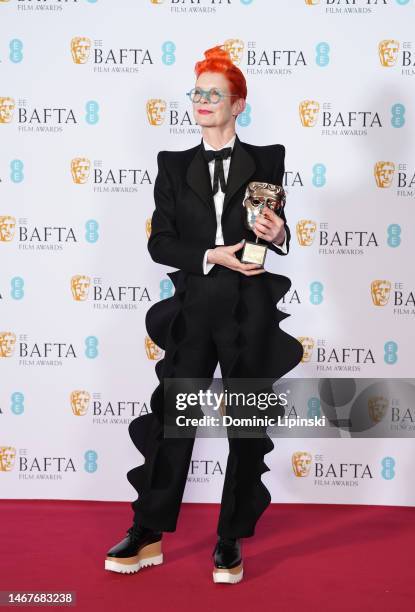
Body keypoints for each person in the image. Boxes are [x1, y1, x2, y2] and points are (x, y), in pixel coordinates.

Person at [105, 45, 303, 584]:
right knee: (173, 421)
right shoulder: (173, 165)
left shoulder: (268, 159)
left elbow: (279, 227)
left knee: (245, 424)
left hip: (249, 309)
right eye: (198, 92)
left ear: (239, 103)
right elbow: (160, 244)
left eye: (215, 93)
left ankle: (229, 539)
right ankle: (146, 531)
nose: (203, 101)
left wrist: (278, 233)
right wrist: (211, 256)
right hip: (193, 308)